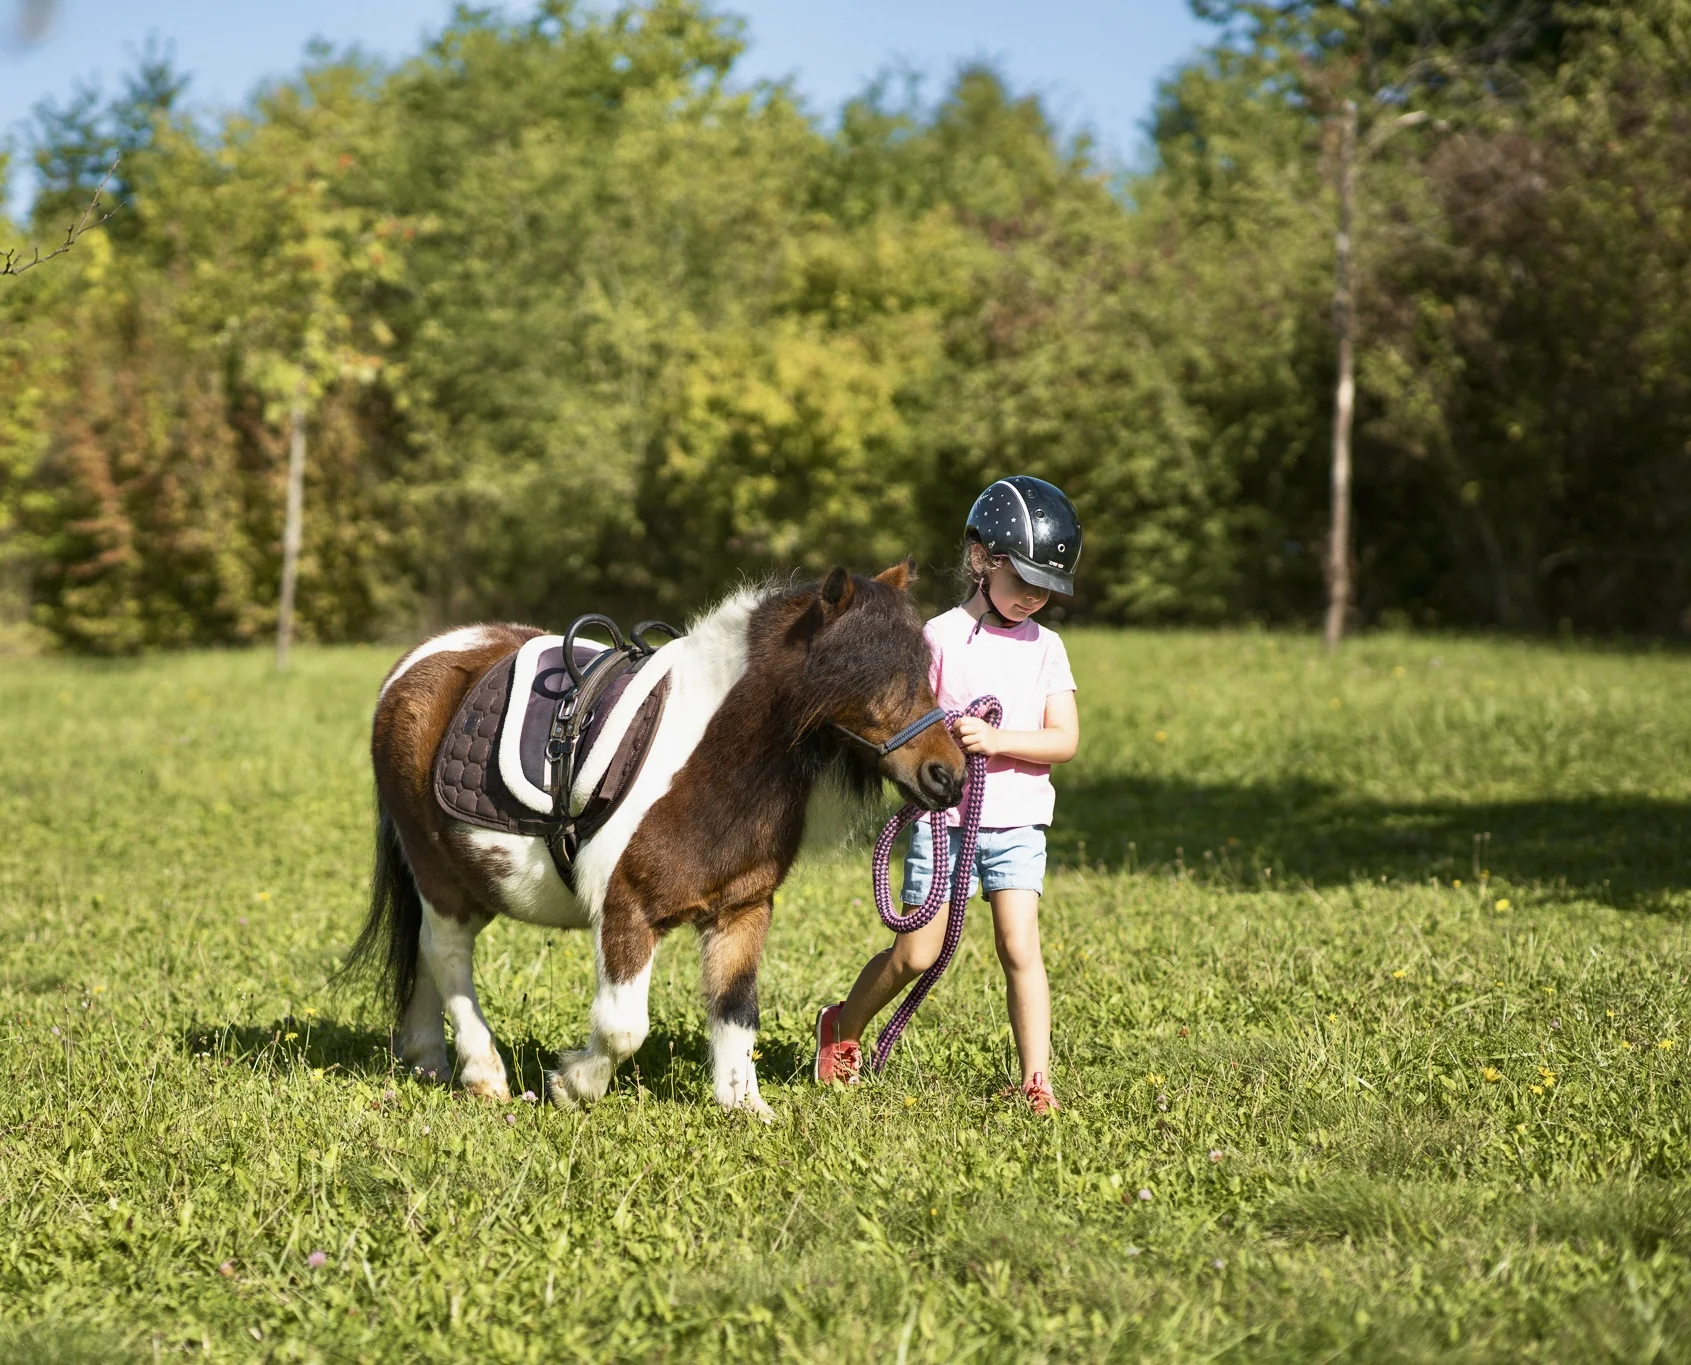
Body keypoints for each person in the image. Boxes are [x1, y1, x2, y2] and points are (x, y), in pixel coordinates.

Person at [812, 476, 1082, 1113]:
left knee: (1021, 948)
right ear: (982, 560)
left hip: (1017, 825)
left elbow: (1064, 740)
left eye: (1047, 588)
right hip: (945, 824)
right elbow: (909, 722)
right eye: (1024, 581)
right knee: (916, 953)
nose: (1034, 598)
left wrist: (997, 739)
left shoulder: (1048, 649)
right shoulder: (934, 638)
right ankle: (842, 1028)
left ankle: (1036, 1081)